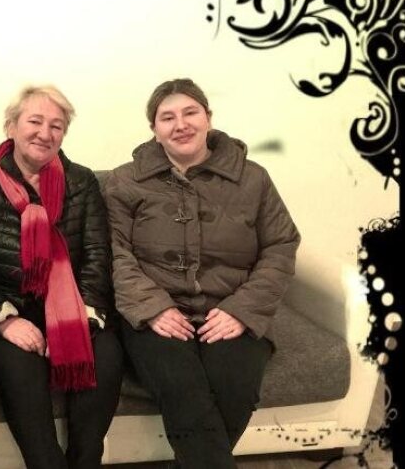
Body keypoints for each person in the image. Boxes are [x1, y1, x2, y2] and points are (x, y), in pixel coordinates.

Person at [104, 78, 301, 468]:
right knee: (183, 387)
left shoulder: (253, 178)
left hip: (231, 307)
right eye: (168, 117)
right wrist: (154, 307)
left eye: (190, 112)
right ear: (154, 129)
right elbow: (115, 252)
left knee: (235, 387)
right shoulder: (125, 181)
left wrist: (241, 310)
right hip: (154, 313)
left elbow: (281, 245)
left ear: (208, 117)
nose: (181, 124)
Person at [0, 85, 125, 469]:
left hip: (72, 309)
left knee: (107, 359)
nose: (45, 133)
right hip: (9, 311)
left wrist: (82, 320)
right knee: (23, 383)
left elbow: (97, 253)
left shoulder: (81, 181)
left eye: (56, 125)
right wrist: (4, 320)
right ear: (11, 126)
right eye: (35, 121)